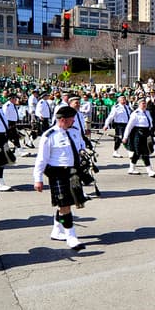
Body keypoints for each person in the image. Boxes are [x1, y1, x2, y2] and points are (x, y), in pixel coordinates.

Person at [32, 105, 90, 250]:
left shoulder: (74, 131)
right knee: (65, 205)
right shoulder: (49, 136)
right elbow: (41, 159)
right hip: (58, 173)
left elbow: (81, 145)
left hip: (73, 172)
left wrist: (83, 153)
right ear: (63, 120)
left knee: (64, 203)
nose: (74, 121)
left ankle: (57, 231)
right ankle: (71, 237)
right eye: (71, 119)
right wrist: (38, 179)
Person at [123, 97, 155, 176]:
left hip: (146, 133)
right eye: (142, 103)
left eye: (145, 103)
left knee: (138, 153)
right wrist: (125, 137)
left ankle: (131, 168)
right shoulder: (135, 113)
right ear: (139, 104)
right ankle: (149, 170)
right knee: (143, 152)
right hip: (138, 134)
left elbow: (150, 122)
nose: (144, 105)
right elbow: (129, 126)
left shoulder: (147, 112)